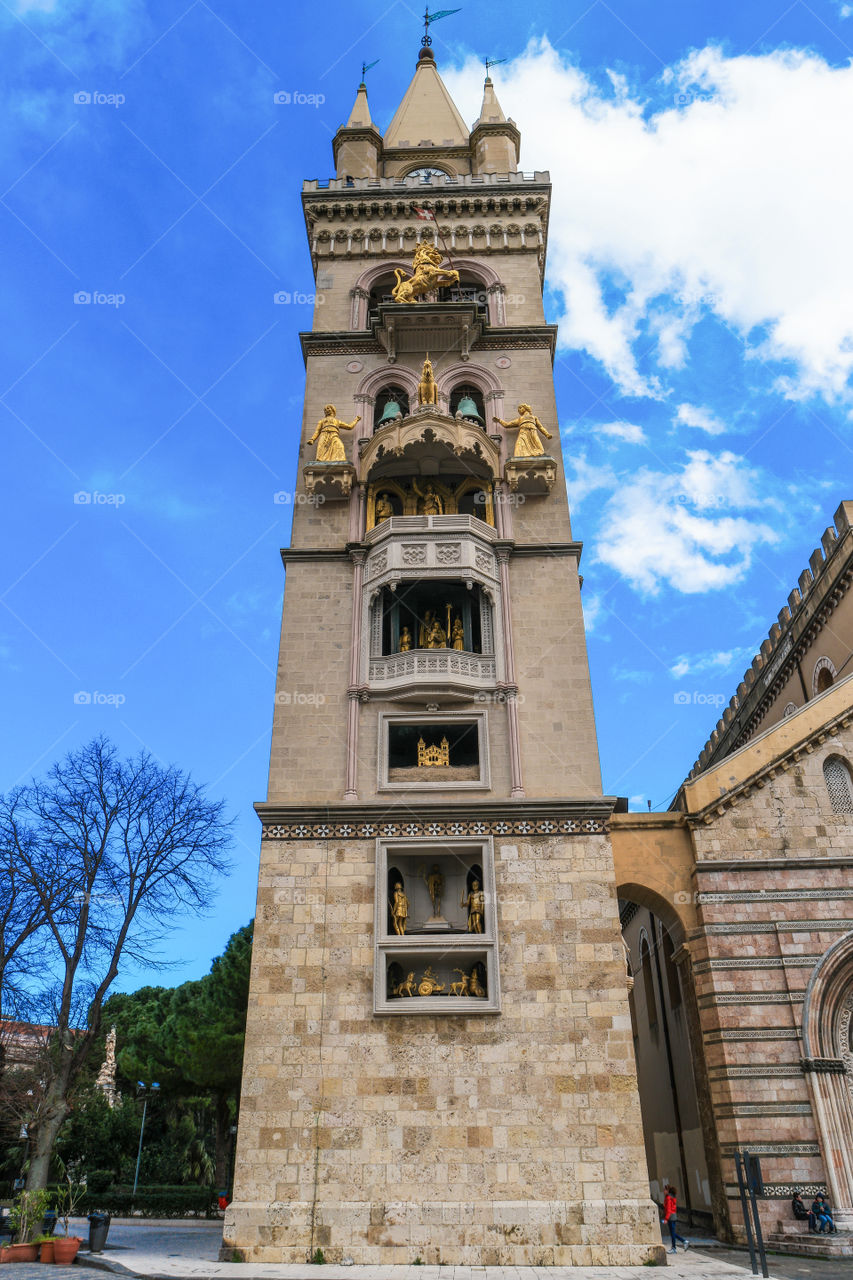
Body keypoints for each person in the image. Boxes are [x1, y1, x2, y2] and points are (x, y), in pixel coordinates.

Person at [662, 1185, 689, 1253]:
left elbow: (669, 1210)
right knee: (672, 1233)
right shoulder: (672, 1197)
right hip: (673, 1216)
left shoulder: (668, 1198)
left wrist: (666, 1219)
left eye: (664, 1190)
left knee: (672, 1233)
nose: (663, 1191)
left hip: (670, 1216)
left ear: (667, 1191)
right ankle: (682, 1242)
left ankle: (677, 1246)